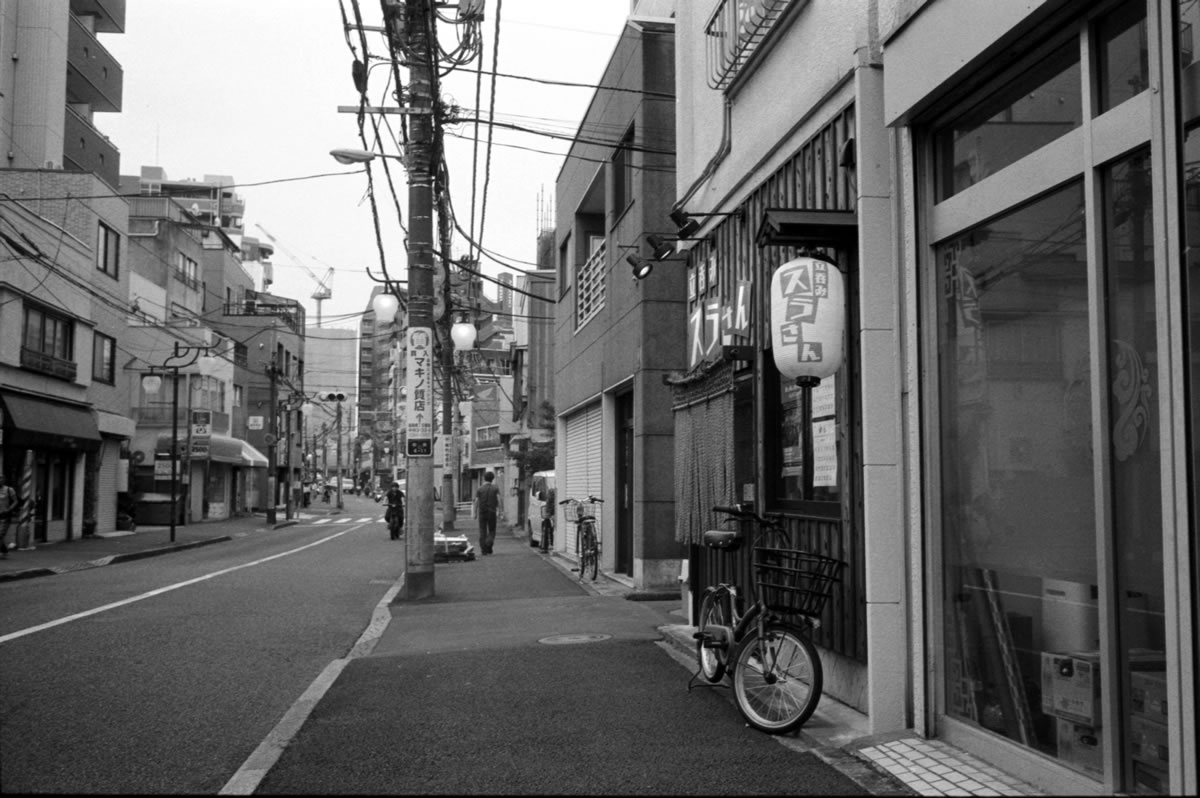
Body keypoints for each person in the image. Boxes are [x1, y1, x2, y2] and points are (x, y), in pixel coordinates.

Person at [474, 471, 500, 555]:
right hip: (492, 511)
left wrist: (475, 513)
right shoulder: (495, 488)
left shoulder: (480, 489)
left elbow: (476, 501)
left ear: (484, 478)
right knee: (492, 530)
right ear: (493, 479)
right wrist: (500, 510)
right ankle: (489, 544)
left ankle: (483, 550)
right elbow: (499, 499)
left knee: (482, 531)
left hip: (482, 512)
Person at [0, 474, 18, 559]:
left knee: (0, 534)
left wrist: (9, 509)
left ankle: (3, 551)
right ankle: (4, 551)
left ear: (4, 480)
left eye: (1, 478)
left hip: (5, 516)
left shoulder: (9, 490)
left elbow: (15, 502)